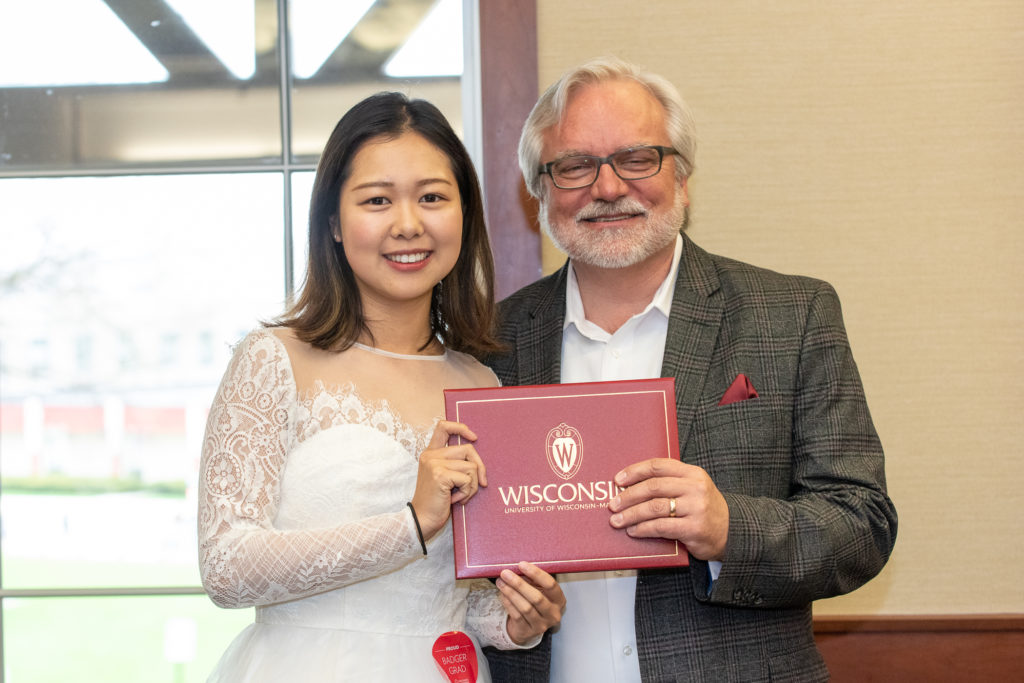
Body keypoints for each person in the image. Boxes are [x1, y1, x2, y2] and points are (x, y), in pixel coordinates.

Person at [483, 57, 897, 682]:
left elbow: (862, 522)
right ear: (538, 190)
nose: (608, 187)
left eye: (637, 158)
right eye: (575, 166)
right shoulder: (491, 341)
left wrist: (730, 528)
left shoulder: (792, 314)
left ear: (681, 176)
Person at [197, 91, 565, 682]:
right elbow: (226, 566)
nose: (408, 224)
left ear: (463, 214)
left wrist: (515, 621)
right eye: (376, 200)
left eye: (432, 198)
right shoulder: (273, 359)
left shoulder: (481, 381)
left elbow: (448, 597)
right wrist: (410, 524)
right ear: (334, 224)